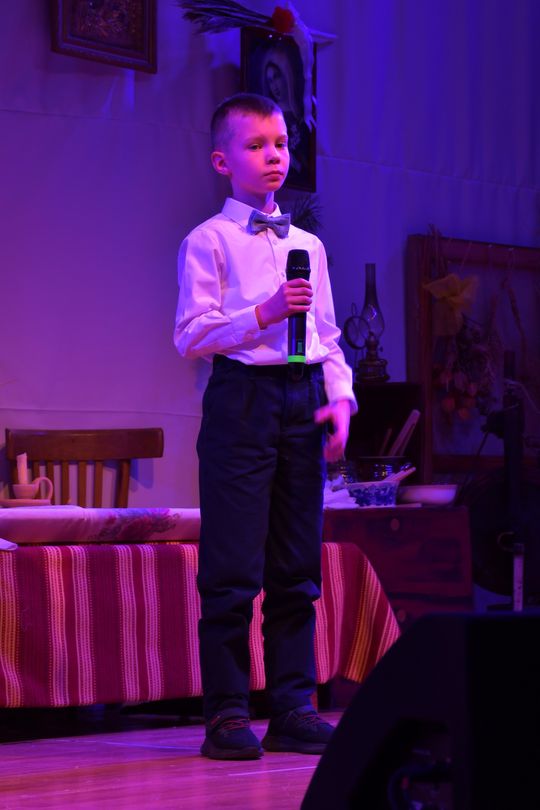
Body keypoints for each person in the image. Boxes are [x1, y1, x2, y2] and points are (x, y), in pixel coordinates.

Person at [174, 92, 356, 761]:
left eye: (280, 143)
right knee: (231, 566)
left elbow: (327, 337)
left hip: (300, 398)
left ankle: (293, 707)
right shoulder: (209, 241)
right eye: (255, 145)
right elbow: (191, 335)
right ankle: (226, 715)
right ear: (222, 160)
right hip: (243, 399)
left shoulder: (309, 245)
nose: (273, 155)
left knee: (296, 564)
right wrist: (264, 312)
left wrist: (340, 399)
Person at [260, 46, 311, 187]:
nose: (274, 86)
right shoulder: (271, 118)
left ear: (286, 76)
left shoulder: (302, 113)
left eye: (276, 77)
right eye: (270, 81)